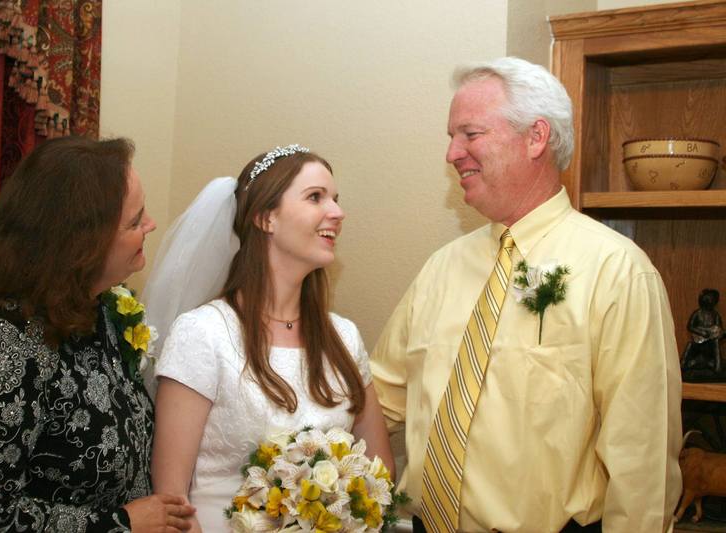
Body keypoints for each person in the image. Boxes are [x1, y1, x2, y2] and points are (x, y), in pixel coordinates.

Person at [371, 57, 683, 532]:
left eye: (470, 134)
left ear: (536, 137)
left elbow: (642, 462)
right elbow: (381, 398)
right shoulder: (441, 268)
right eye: (451, 137)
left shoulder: (617, 272)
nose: (452, 153)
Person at [0, 136, 194, 532]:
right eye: (134, 220)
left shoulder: (104, 312)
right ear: (82, 242)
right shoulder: (2, 341)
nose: (151, 224)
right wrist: (122, 524)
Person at [147, 145, 395, 532]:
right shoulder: (203, 333)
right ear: (266, 217)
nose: (337, 212)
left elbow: (380, 472)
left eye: (335, 198)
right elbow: (171, 500)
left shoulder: (344, 338)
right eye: (316, 197)